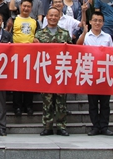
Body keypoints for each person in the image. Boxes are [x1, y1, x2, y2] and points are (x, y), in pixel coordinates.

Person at [35, 7, 72, 136]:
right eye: (51, 15)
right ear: (46, 16)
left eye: (56, 15)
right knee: (47, 101)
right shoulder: (39, 34)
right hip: (46, 72)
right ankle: (48, 126)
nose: (53, 18)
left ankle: (62, 126)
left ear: (59, 17)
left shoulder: (65, 33)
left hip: (61, 71)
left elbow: (71, 51)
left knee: (61, 101)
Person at [77, 11, 113, 136]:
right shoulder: (86, 36)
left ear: (103, 23)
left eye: (100, 21)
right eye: (95, 20)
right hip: (90, 73)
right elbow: (78, 47)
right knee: (92, 103)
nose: (97, 23)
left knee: (105, 103)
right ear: (90, 22)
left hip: (105, 74)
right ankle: (95, 127)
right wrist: (84, 32)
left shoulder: (107, 37)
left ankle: (104, 127)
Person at [11, 0, 37, 116]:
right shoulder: (13, 19)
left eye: (28, 6)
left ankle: (28, 106)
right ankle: (17, 106)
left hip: (30, 56)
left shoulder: (34, 21)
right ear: (20, 6)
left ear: (31, 8)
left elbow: (37, 35)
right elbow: (8, 33)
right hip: (16, 55)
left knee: (29, 82)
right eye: (24, 6)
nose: (26, 8)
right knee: (17, 82)